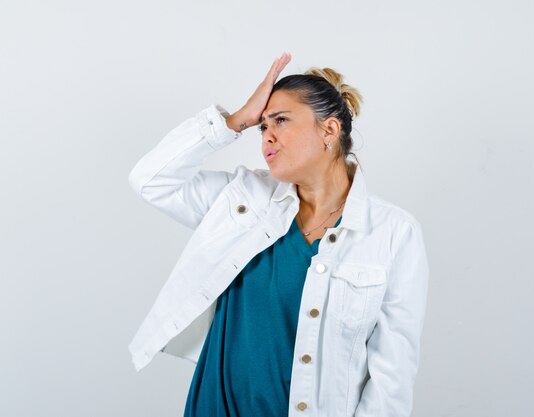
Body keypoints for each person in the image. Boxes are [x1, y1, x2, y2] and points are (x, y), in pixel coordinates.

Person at [127, 52, 430, 417]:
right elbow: (150, 181)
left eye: (281, 121)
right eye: (262, 126)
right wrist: (236, 120)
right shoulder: (243, 200)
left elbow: (391, 379)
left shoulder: (393, 234)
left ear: (329, 131)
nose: (267, 136)